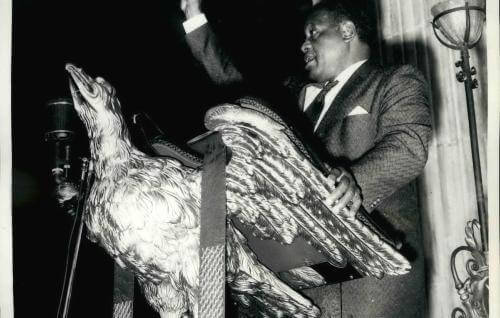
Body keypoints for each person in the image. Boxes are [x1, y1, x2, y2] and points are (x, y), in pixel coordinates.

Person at [180, 0, 432, 317]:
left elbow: (409, 144)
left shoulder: (394, 81)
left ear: (347, 31)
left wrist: (356, 180)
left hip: (374, 286)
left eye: (313, 33)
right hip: (302, 290)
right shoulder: (296, 97)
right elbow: (236, 85)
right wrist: (194, 17)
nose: (303, 45)